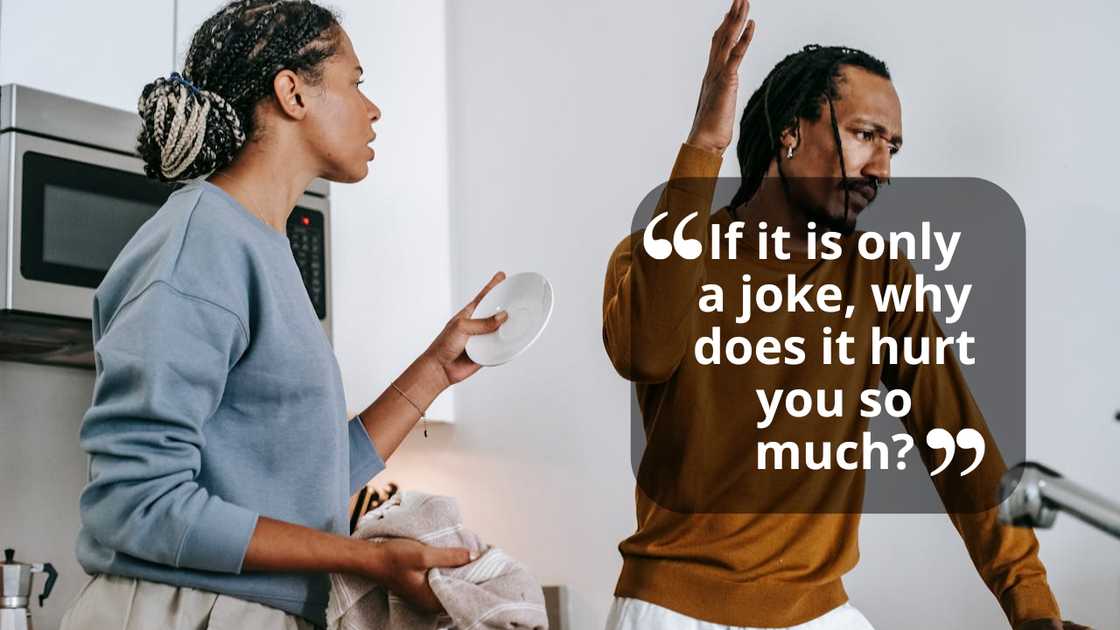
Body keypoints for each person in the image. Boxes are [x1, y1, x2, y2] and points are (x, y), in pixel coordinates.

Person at [600, 1, 1088, 629]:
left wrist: (1031, 606)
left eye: (893, 148)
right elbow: (644, 351)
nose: (882, 170)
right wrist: (705, 146)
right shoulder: (656, 252)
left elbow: (960, 447)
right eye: (864, 135)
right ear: (790, 132)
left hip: (818, 614)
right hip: (668, 610)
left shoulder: (880, 276)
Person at [58, 1, 508, 628]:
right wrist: (363, 559)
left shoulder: (261, 246)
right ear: (292, 93)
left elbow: (309, 480)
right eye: (356, 82)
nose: (372, 109)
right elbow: (137, 502)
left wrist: (435, 368)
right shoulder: (203, 243)